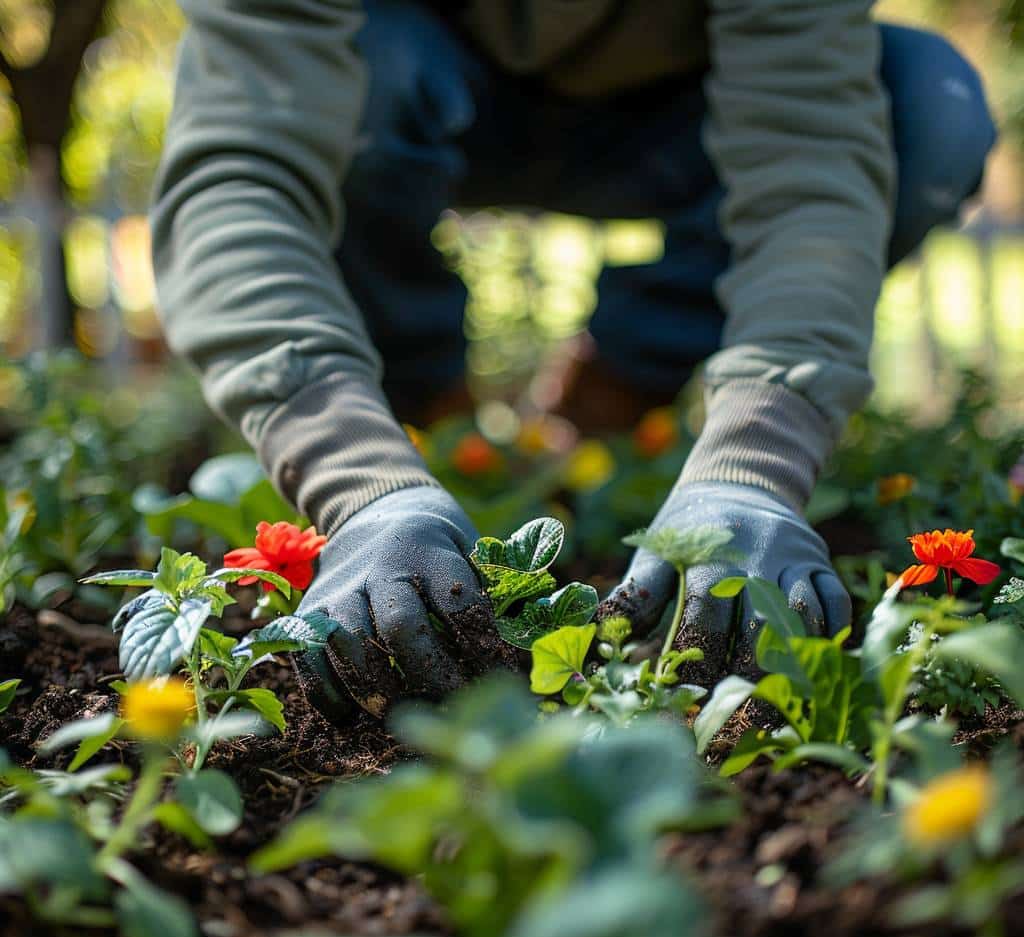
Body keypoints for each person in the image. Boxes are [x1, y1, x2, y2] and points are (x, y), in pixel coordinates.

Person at [151, 1, 996, 720]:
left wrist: (756, 462)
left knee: (928, 108)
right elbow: (241, 168)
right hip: (394, 85)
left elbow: (811, 163)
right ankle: (430, 432)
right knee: (371, 81)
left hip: (676, 108)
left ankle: (613, 397)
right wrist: (356, 483)